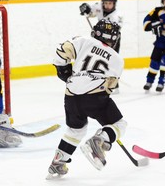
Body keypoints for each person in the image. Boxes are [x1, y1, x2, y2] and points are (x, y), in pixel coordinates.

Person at [46, 19, 127, 179]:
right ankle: (99, 141)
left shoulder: (83, 40)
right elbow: (109, 87)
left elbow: (62, 51)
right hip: (95, 96)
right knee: (119, 124)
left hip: (71, 95)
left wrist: (64, 71)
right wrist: (107, 129)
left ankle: (58, 162)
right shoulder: (117, 59)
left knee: (75, 130)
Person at [79, 0, 123, 93]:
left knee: (111, 60)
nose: (107, 5)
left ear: (114, 3)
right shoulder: (98, 6)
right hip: (99, 37)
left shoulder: (117, 16)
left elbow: (114, 32)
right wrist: (86, 9)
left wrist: (98, 32)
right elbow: (90, 13)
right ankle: (97, 82)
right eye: (106, 3)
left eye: (110, 3)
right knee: (97, 58)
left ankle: (114, 85)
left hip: (113, 40)